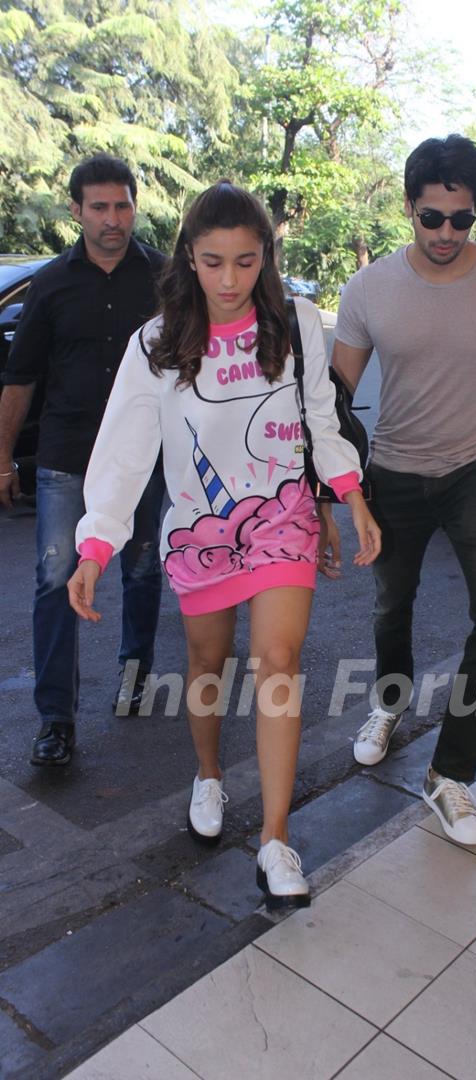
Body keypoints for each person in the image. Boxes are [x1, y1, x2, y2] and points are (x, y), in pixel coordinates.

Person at [67, 181, 380, 909]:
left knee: (280, 662)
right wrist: (96, 545)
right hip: (200, 528)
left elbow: (320, 420)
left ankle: (276, 839)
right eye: (213, 263)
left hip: (282, 517)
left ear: (266, 257)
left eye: (246, 261)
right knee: (208, 662)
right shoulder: (156, 343)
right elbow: (124, 452)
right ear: (189, 258)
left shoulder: (296, 320)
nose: (231, 280)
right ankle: (208, 773)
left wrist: (351, 496)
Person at [327, 134, 476, 846]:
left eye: (462, 219)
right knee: (394, 603)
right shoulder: (369, 289)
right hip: (393, 469)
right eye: (431, 217)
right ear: (409, 208)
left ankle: (449, 774)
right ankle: (389, 702)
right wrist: (339, 481)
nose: (446, 233)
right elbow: (336, 394)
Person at [0, 154, 165, 767]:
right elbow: (20, 379)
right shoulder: (50, 285)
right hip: (66, 457)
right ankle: (56, 720)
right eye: (99, 206)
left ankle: (135, 675)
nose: (112, 218)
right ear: (76, 210)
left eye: (122, 205)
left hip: (145, 457)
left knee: (143, 569)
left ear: (133, 207)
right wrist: (2, 459)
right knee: (53, 581)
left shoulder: (163, 278)